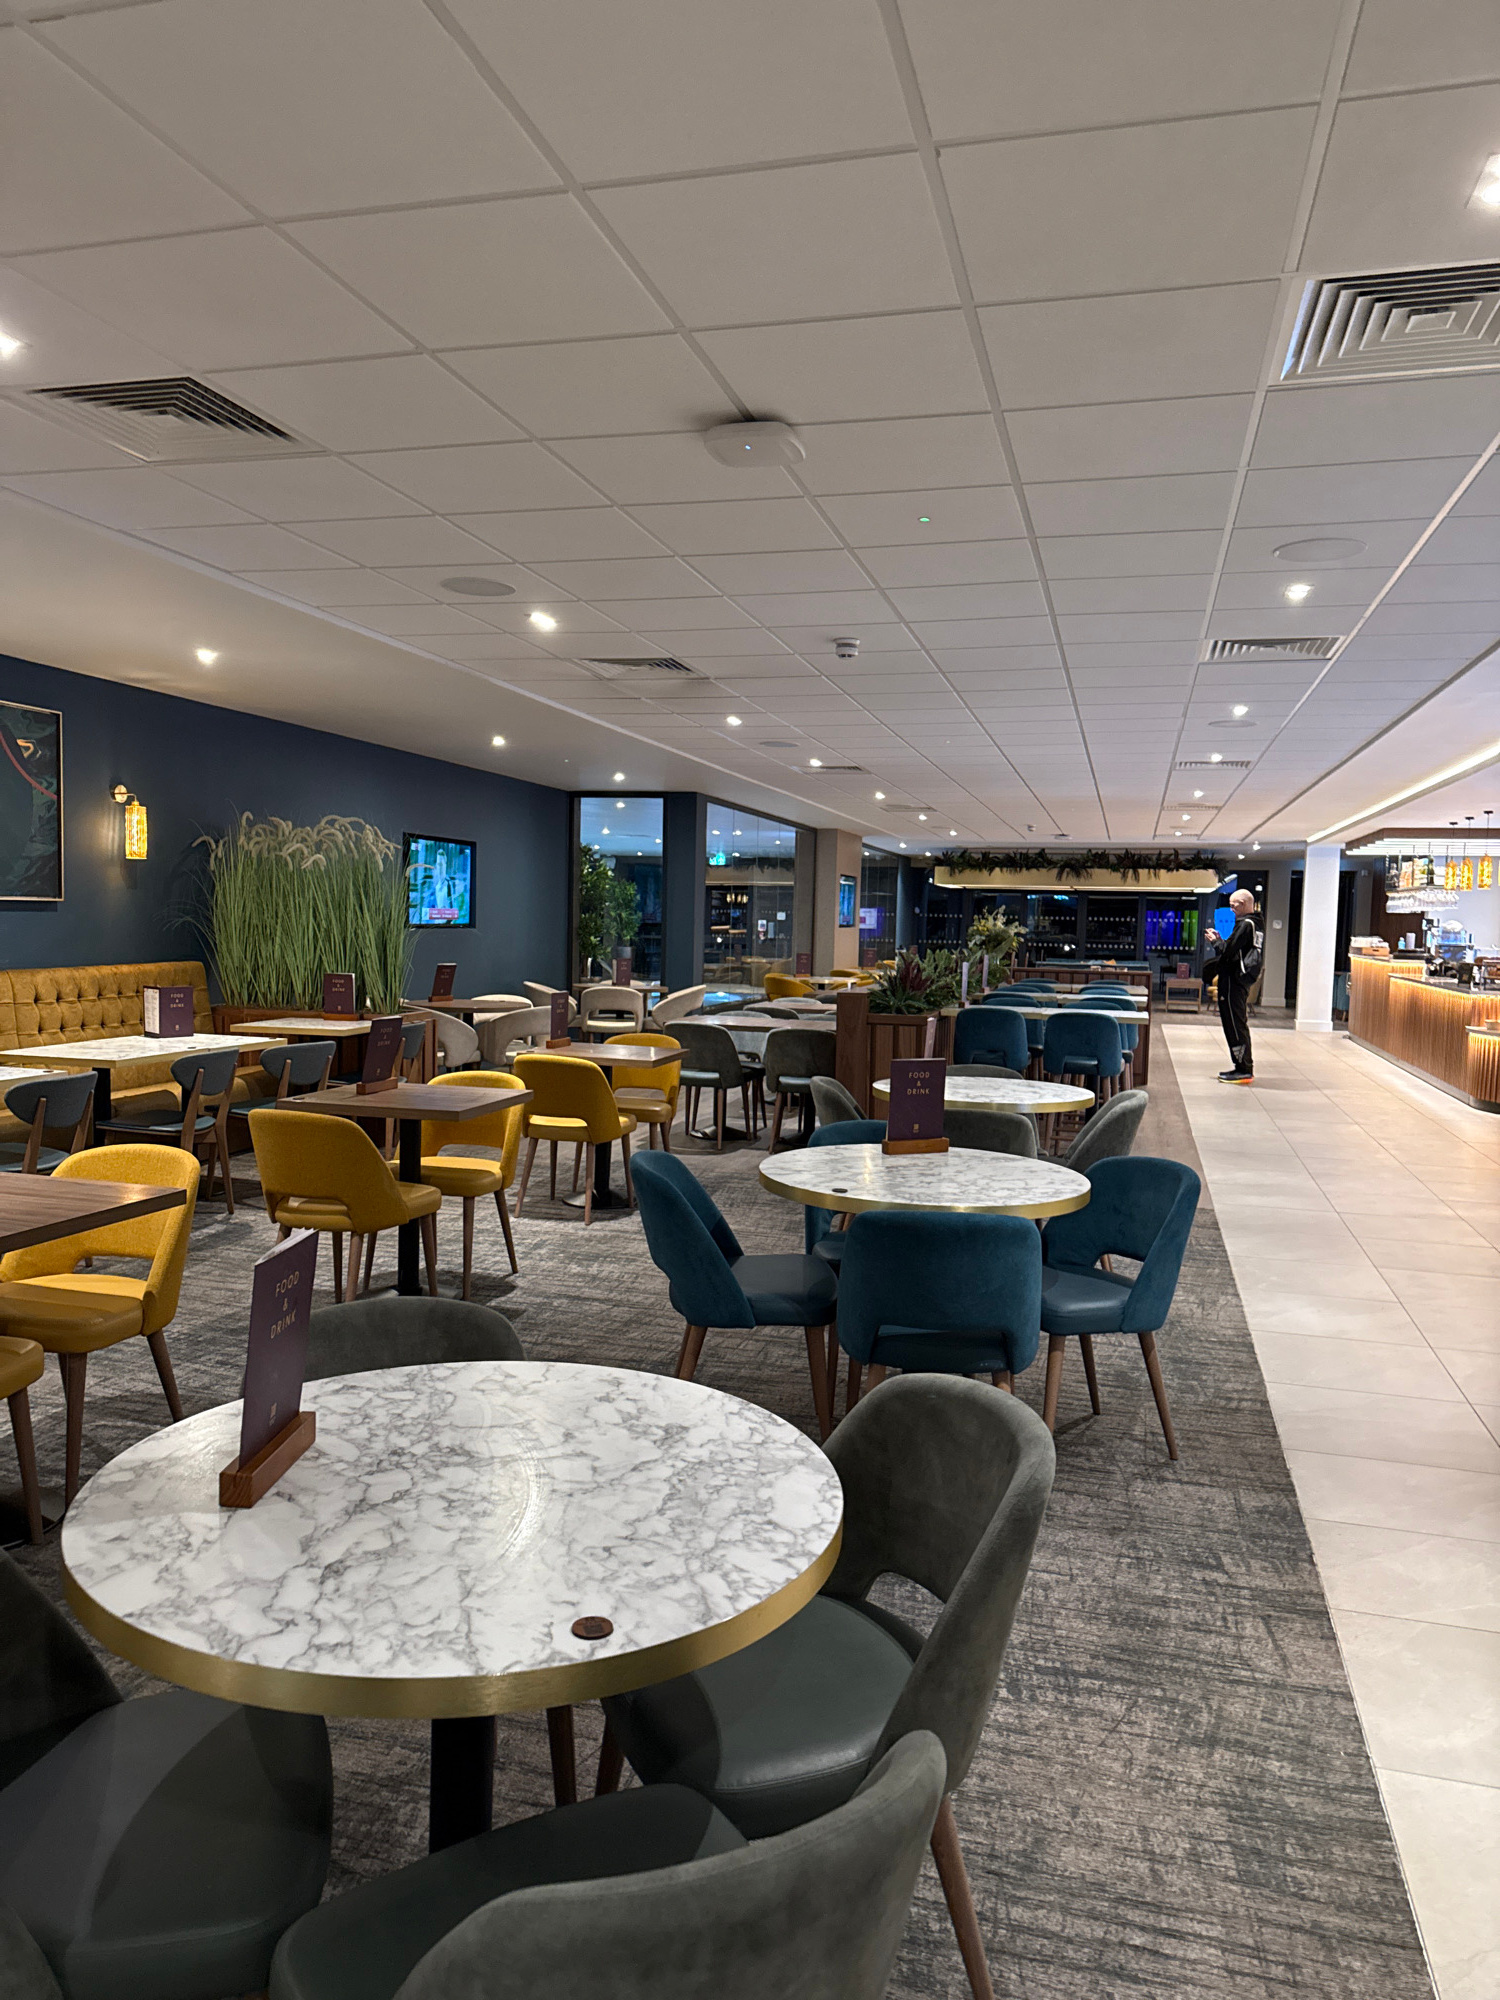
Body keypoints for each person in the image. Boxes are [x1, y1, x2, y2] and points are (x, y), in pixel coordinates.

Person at [1203, 888, 1262, 1084]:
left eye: (1233, 905)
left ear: (1243, 904)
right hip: (1241, 980)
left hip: (1234, 981)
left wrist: (1215, 941)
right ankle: (1242, 1066)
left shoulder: (1245, 925)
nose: (1231, 909)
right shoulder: (1256, 924)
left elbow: (1228, 951)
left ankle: (1243, 1068)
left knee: (1234, 1024)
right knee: (1237, 1022)